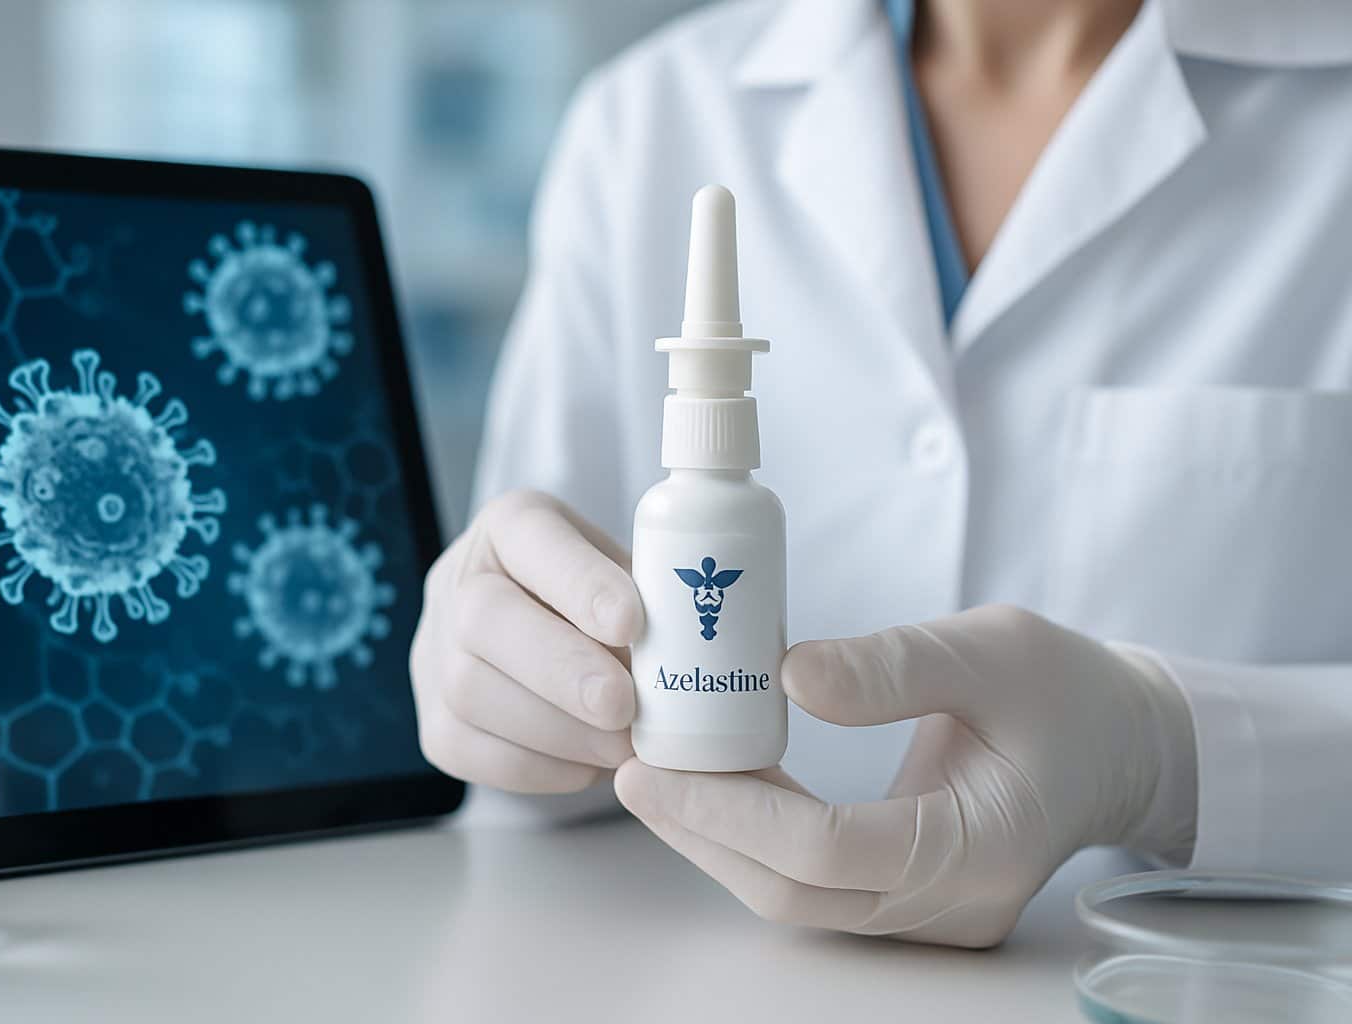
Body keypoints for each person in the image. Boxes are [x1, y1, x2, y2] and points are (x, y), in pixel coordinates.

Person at [409, 0, 1352, 948]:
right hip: (701, 980)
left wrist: (1163, 758)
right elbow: (538, 736)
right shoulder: (649, 115)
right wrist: (498, 686)